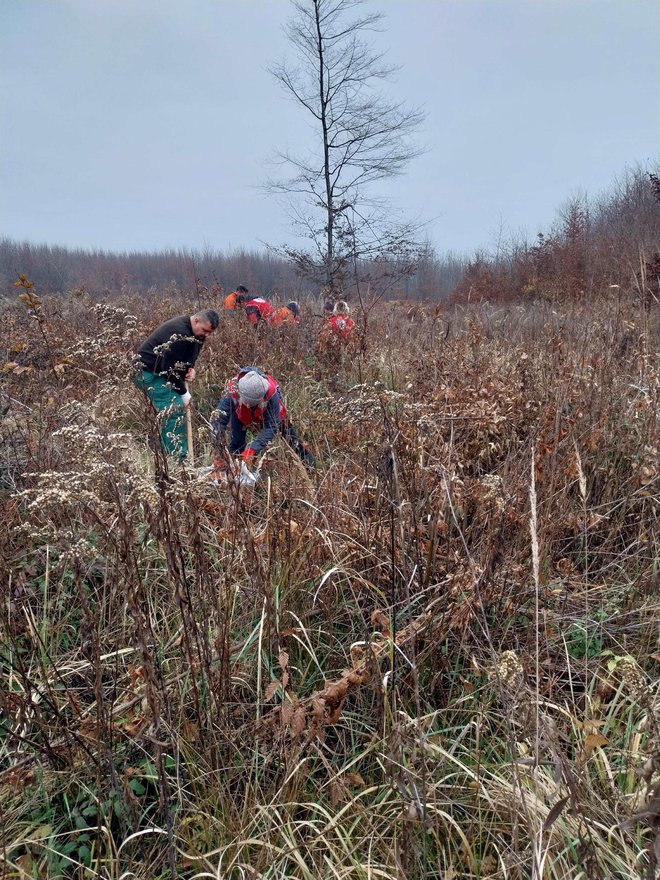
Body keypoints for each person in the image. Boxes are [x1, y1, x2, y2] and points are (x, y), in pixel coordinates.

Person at [134, 309, 219, 458]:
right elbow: (168, 369)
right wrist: (183, 393)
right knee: (175, 409)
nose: (206, 335)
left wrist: (190, 369)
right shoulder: (178, 333)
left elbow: (189, 356)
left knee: (173, 408)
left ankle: (167, 453)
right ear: (197, 320)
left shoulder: (197, 333)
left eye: (209, 333)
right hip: (146, 372)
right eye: (205, 331)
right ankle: (178, 460)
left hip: (161, 371)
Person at [210, 367, 315, 470]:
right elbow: (218, 420)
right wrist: (219, 451)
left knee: (291, 438)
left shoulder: (272, 394)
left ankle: (310, 466)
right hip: (240, 414)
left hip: (267, 412)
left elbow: (272, 426)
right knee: (237, 444)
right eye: (246, 402)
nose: (247, 406)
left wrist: (253, 449)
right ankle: (235, 474)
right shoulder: (232, 390)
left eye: (251, 404)